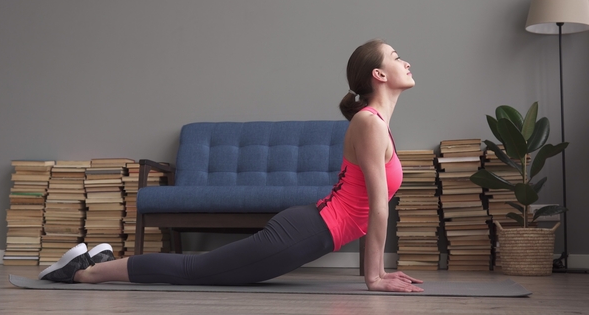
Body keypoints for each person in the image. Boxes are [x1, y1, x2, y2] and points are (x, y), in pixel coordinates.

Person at [38, 39, 424, 293]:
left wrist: (376, 274)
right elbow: (376, 206)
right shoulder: (369, 123)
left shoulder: (377, 125)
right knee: (195, 271)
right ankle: (84, 271)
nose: (405, 61)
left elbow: (371, 205)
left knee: (199, 269)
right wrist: (374, 278)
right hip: (306, 232)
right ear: (379, 75)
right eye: (395, 56)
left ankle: (102, 261)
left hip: (311, 226)